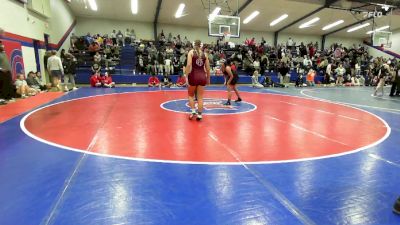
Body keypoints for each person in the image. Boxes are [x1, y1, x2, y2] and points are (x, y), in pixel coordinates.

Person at [185, 40, 210, 121]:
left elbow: (188, 65)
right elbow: (208, 68)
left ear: (193, 45)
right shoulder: (205, 54)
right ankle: (199, 115)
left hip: (193, 75)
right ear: (201, 45)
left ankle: (193, 112)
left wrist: (186, 74)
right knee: (200, 97)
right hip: (202, 76)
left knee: (190, 95)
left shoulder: (191, 52)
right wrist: (208, 78)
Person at [0, 38, 15, 103]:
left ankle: (8, 97)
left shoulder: (3, 52)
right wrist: (1, 69)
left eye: (1, 44)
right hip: (1, 72)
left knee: (8, 85)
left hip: (8, 71)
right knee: (2, 85)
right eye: (0, 45)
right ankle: (1, 98)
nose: (2, 46)